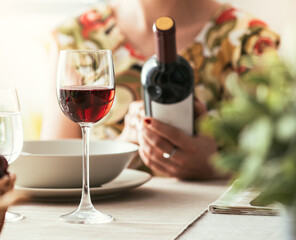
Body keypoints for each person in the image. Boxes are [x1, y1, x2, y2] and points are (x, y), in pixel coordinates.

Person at [40, 0, 280, 180]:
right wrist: (121, 150)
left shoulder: (248, 40)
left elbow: (280, 172)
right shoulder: (74, 40)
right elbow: (52, 172)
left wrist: (215, 169)